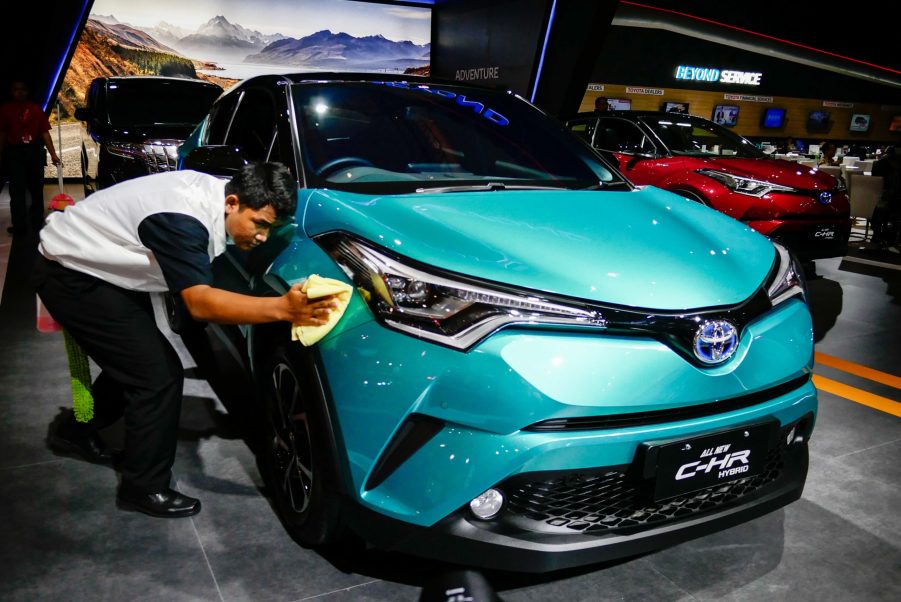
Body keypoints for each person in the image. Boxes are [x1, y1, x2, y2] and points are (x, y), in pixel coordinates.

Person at [32, 163, 339, 518]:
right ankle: (143, 487)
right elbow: (199, 304)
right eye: (260, 224)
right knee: (158, 376)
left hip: (100, 263)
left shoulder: (215, 196)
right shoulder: (182, 221)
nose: (262, 238)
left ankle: (73, 431)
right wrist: (283, 309)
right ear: (233, 203)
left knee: (135, 363)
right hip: (72, 274)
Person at [0, 80, 61, 234]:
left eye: (22, 89)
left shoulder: (35, 109)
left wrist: (53, 154)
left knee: (36, 189)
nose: (19, 92)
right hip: (15, 153)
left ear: (27, 91)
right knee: (16, 191)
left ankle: (36, 222)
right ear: (12, 92)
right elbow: (2, 133)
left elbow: (44, 133)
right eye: (16, 89)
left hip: (34, 152)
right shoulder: (6, 110)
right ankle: (19, 225)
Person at [871, 144, 901, 246]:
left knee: (877, 207)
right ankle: (890, 235)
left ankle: (878, 234)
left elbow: (874, 182)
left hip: (877, 200)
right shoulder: (889, 165)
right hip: (889, 201)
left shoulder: (878, 164)